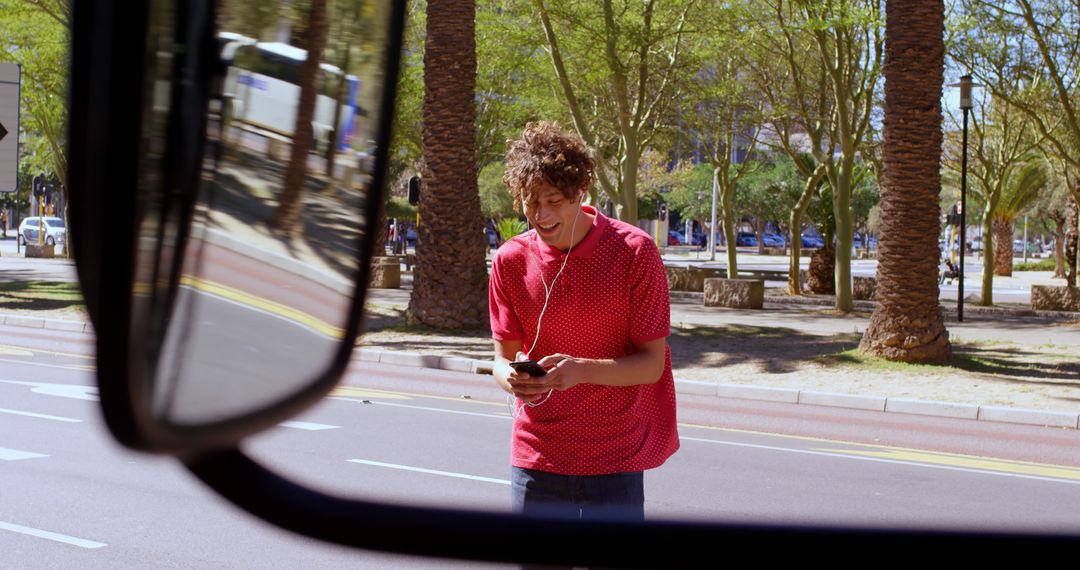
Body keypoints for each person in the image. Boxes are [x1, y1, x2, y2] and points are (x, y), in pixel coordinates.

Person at [489, 122, 679, 522]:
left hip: (616, 459)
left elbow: (652, 364)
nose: (540, 215)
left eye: (553, 200)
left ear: (580, 194)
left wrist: (581, 371)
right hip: (536, 454)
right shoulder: (509, 260)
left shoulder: (634, 253)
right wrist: (513, 379)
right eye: (529, 202)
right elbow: (501, 358)